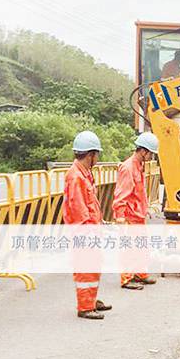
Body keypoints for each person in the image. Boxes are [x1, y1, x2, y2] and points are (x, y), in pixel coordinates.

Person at [63, 131, 112, 320]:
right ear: (90, 154)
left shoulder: (85, 174)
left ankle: (91, 299)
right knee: (85, 269)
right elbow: (78, 210)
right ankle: (85, 306)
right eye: (97, 154)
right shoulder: (76, 177)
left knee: (93, 266)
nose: (98, 158)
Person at [113, 132, 160, 290]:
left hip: (138, 215)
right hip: (129, 217)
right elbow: (121, 195)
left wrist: (145, 209)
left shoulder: (139, 166)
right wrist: (120, 216)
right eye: (151, 153)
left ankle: (140, 273)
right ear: (143, 151)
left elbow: (139, 191)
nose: (151, 157)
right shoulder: (127, 168)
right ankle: (126, 279)